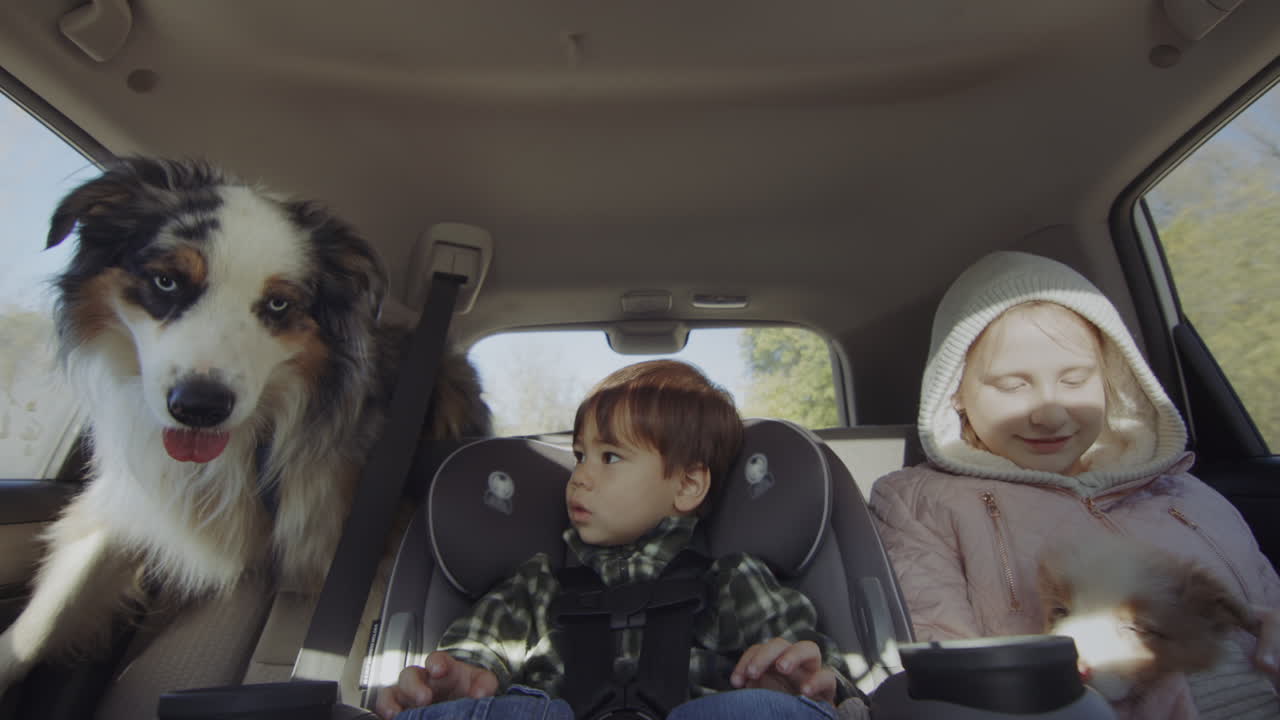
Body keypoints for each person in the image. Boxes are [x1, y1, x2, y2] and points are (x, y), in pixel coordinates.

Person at [870, 250, 1280, 719]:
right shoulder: (921, 504)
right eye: (1012, 385)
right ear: (956, 392)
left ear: (1111, 380)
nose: (1050, 414)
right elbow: (947, 676)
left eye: (1075, 379)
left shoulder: (1186, 494)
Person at [376, 359, 856, 720]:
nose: (579, 477)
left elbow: (804, 649)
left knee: (754, 709)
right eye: (580, 455)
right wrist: (458, 677)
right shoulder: (538, 583)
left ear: (688, 485)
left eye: (609, 458)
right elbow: (482, 645)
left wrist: (795, 676)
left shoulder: (731, 578)